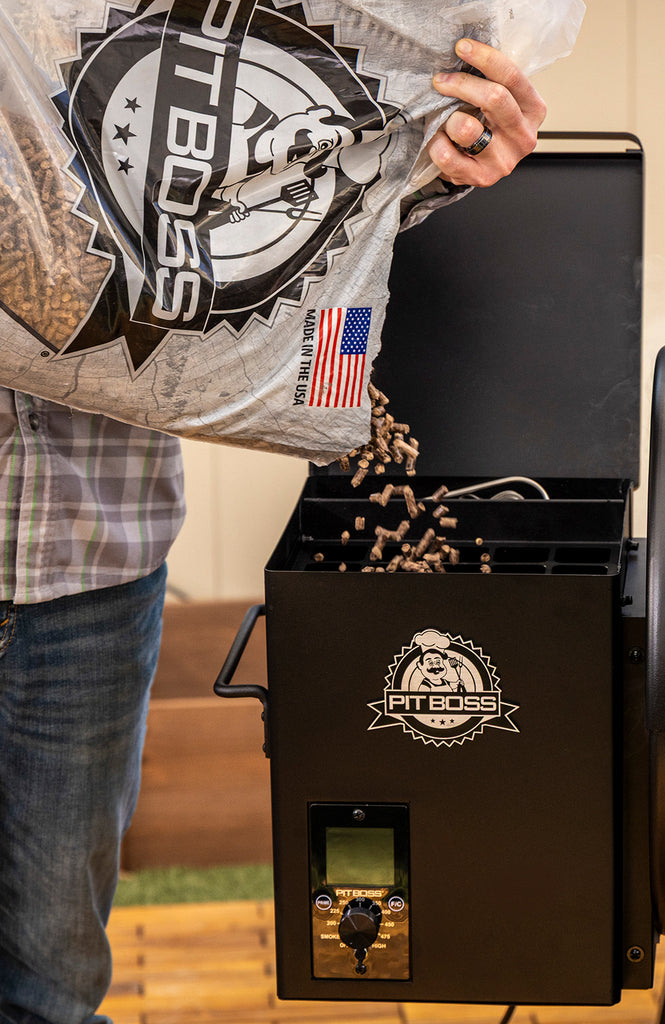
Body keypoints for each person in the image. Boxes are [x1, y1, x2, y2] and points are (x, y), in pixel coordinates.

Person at [0, 37, 545, 1024]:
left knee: (52, 980)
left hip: (90, 557)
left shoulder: (155, 34)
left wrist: (441, 155)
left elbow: (280, 182)